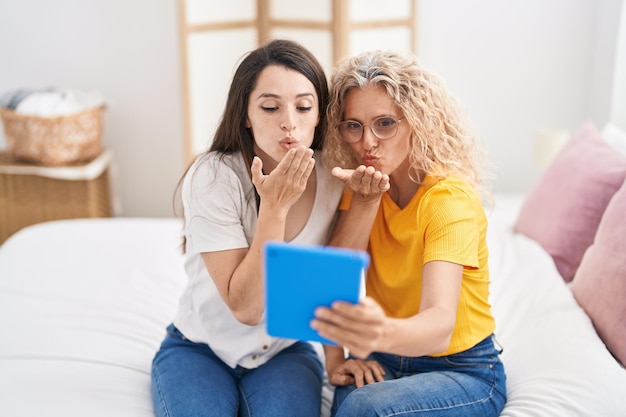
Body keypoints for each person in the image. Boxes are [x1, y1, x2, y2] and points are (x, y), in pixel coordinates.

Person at [151, 39, 343, 417]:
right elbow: (247, 308)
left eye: (304, 106)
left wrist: (335, 358)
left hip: (284, 352)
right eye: (270, 107)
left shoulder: (333, 175)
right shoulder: (213, 177)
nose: (289, 121)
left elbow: (332, 273)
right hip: (198, 349)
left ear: (320, 115)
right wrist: (274, 207)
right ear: (245, 115)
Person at [311, 49, 507, 417]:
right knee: (354, 403)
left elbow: (439, 324)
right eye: (353, 125)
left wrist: (376, 334)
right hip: (381, 357)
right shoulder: (361, 188)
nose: (367, 142)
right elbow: (329, 278)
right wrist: (336, 361)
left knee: (362, 409)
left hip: (459, 369)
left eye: (385, 123)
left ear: (417, 121)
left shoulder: (448, 200)